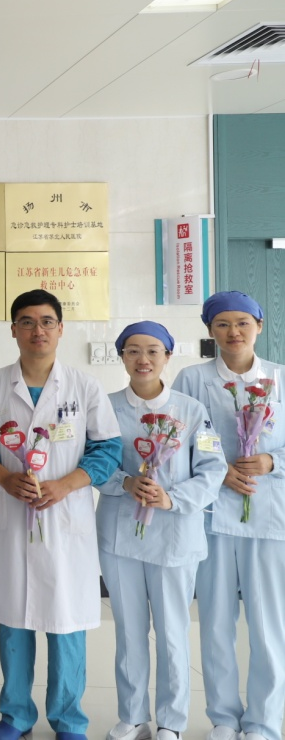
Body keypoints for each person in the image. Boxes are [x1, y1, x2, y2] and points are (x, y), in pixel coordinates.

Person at [0, 289, 122, 740]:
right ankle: (15, 714)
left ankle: (69, 719)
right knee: (14, 620)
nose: (38, 330)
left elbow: (108, 448)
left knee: (66, 624)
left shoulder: (84, 387)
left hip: (65, 520)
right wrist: (2, 476)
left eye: (47, 321)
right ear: (13, 329)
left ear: (61, 329)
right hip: (11, 518)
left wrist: (66, 485)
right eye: (27, 322)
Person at [97, 321, 224, 740]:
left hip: (174, 535)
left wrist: (172, 498)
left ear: (168, 356)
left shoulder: (192, 411)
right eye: (133, 350)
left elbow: (213, 469)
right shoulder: (106, 408)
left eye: (153, 350)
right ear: (122, 356)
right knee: (129, 630)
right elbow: (91, 463)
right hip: (120, 534)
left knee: (172, 632)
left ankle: (171, 722)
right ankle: (133, 717)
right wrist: (125, 483)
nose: (143, 359)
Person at [174, 291, 285, 740]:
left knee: (268, 624)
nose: (233, 332)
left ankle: (263, 722)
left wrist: (272, 461)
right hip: (211, 515)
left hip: (268, 515)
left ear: (259, 325)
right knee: (216, 621)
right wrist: (219, 472)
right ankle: (223, 718)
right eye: (222, 324)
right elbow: (178, 442)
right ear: (210, 330)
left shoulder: (280, 379)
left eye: (242, 322)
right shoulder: (192, 379)